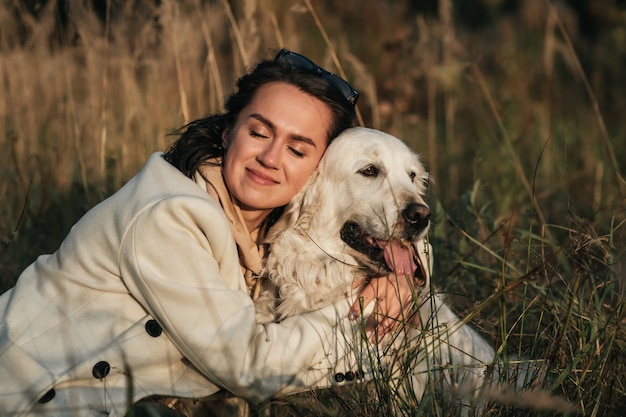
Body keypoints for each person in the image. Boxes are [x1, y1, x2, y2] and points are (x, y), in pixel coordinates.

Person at [0, 49, 430, 417]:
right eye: (258, 132)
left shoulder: (269, 225)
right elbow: (248, 366)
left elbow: (368, 228)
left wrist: (403, 274)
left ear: (318, 171)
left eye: (297, 149)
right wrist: (364, 316)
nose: (270, 157)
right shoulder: (169, 215)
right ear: (228, 133)